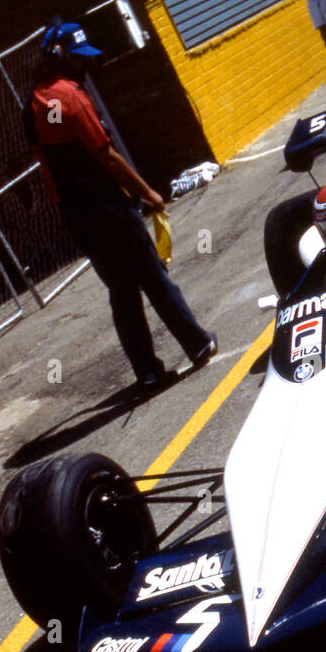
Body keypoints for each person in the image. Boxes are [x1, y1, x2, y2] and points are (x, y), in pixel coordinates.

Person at [24, 22, 216, 395]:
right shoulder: (71, 97)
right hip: (109, 206)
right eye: (78, 59)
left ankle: (147, 372)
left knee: (121, 291)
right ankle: (198, 344)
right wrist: (147, 192)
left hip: (76, 214)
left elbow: (43, 154)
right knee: (155, 279)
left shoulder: (33, 104)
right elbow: (106, 156)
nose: (85, 65)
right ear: (61, 57)